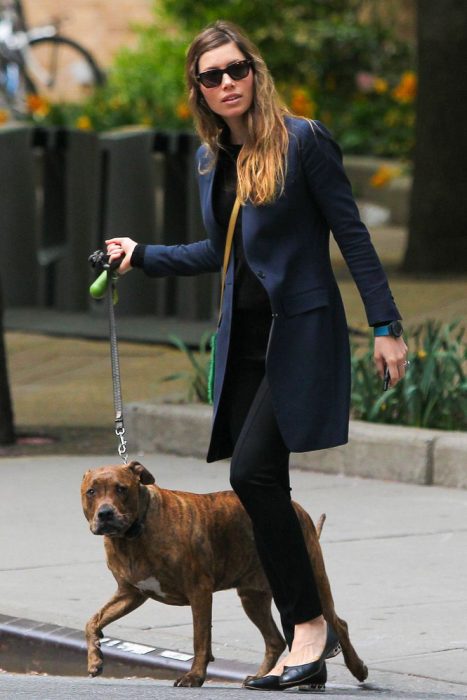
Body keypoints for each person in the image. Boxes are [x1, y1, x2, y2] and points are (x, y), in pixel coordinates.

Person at [106, 20, 409, 691]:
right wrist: (142, 255)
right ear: (199, 90)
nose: (226, 84)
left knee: (253, 474)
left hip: (297, 333)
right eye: (210, 76)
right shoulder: (211, 158)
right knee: (256, 482)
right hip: (242, 341)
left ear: (255, 71)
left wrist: (385, 324)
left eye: (235, 70)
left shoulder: (302, 142)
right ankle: (305, 636)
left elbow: (352, 237)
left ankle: (306, 629)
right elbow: (223, 252)